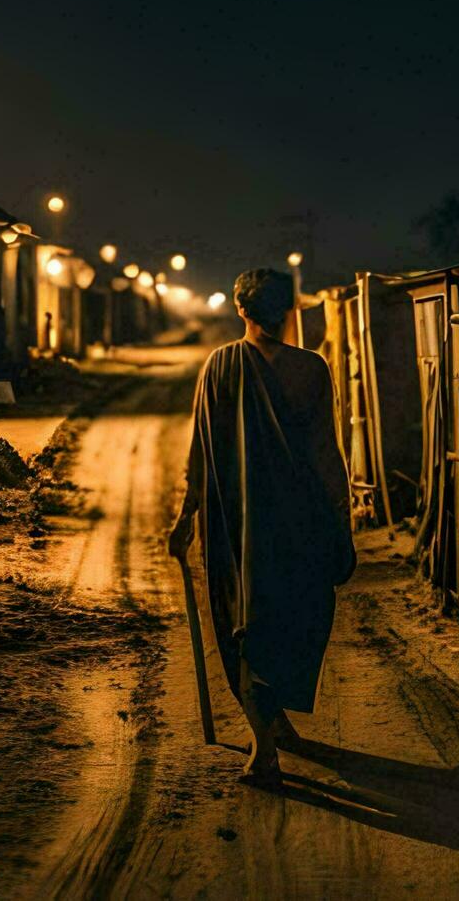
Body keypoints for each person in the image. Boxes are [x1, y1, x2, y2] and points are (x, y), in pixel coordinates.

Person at [168, 267, 354, 786]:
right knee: (290, 619)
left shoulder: (220, 366)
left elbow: (201, 454)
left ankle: (265, 744)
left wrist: (187, 517)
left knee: (245, 626)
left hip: (239, 529)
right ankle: (270, 736)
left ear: (241, 310)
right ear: (288, 309)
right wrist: (342, 520)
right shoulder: (311, 369)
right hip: (300, 524)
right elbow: (326, 454)